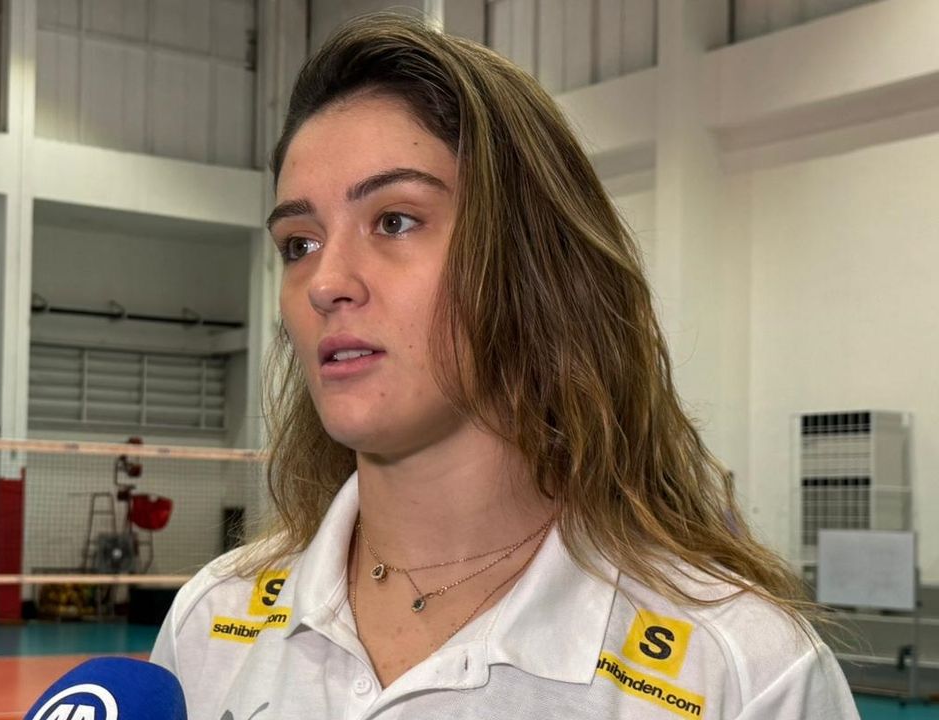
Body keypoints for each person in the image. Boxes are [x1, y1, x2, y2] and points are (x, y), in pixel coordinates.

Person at [151, 13, 858, 720]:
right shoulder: (211, 624)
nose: (326, 282)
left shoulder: (741, 673)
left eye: (395, 221)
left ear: (531, 263)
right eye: (299, 244)